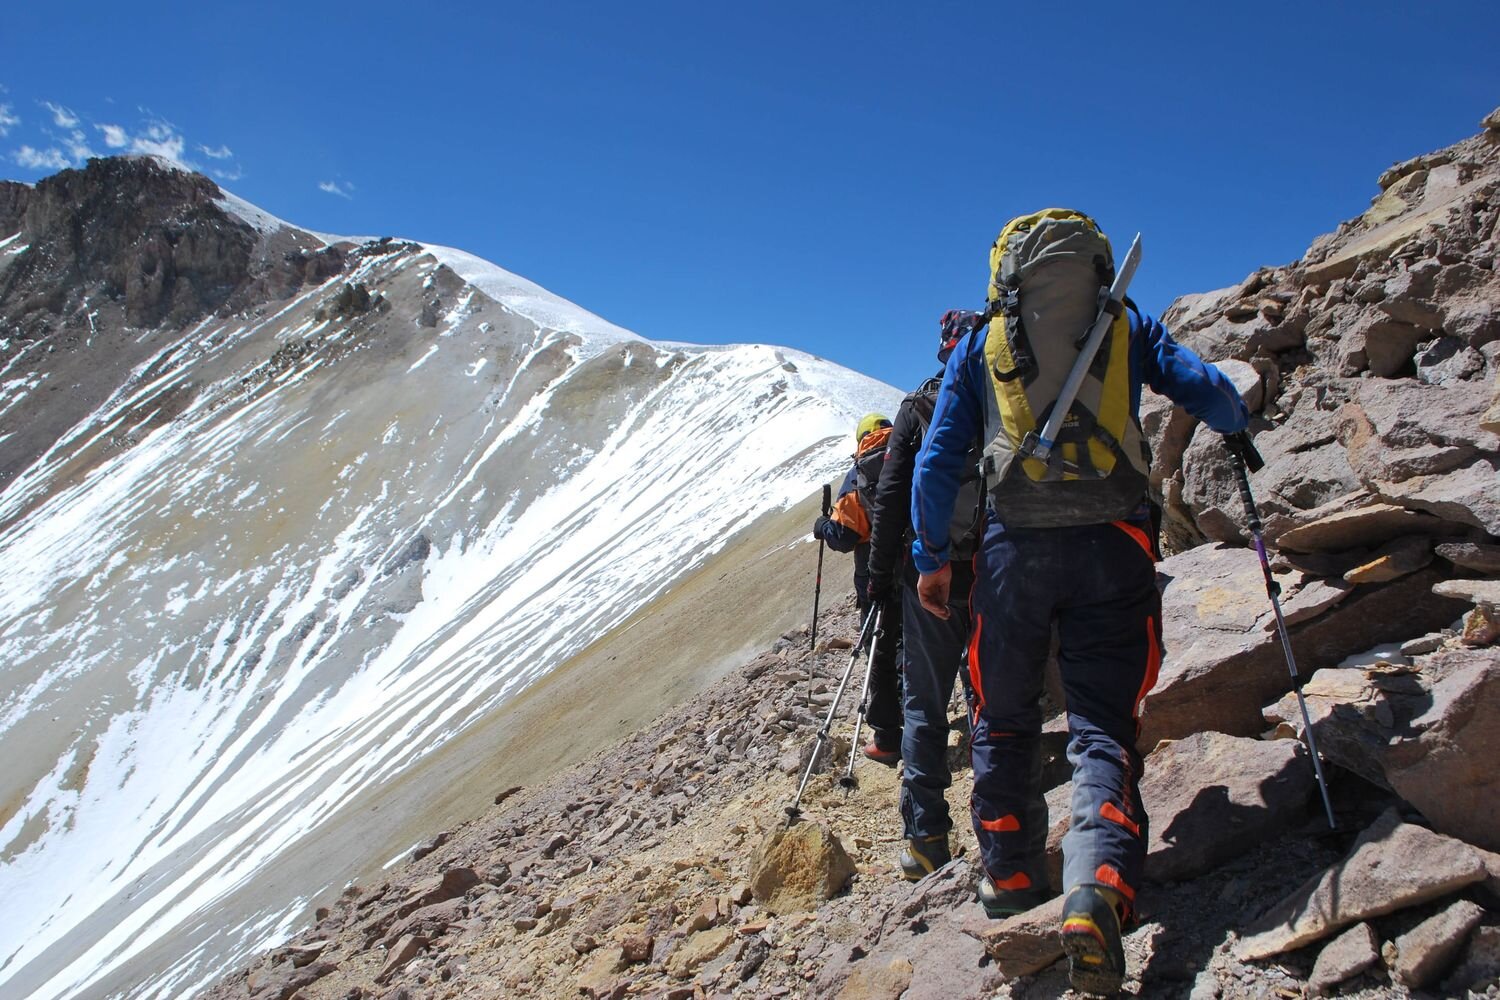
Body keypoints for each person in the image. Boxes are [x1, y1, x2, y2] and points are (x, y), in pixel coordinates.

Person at [911, 210, 1249, 995]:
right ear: (1095, 265)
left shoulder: (982, 342)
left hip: (1011, 554)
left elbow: (936, 463)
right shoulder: (1126, 323)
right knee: (1102, 721)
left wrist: (933, 559)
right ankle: (1096, 883)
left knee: (1003, 713)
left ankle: (1011, 876)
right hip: (1115, 546)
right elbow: (1210, 392)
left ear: (1007, 273)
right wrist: (1239, 419)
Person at [867, 310, 985, 881]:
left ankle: (925, 838)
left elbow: (890, 498)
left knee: (925, 702)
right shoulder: (1006, 398)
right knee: (992, 692)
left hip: (930, 573)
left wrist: (877, 576)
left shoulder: (918, 408)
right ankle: (1001, 822)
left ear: (944, 350)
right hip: (996, 566)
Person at [813, 413, 904, 764]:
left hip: (875, 577)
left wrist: (823, 526)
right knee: (915, 647)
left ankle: (888, 738)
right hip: (919, 566)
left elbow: (846, 536)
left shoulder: (860, 473)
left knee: (879, 654)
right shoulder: (910, 452)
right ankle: (926, 722)